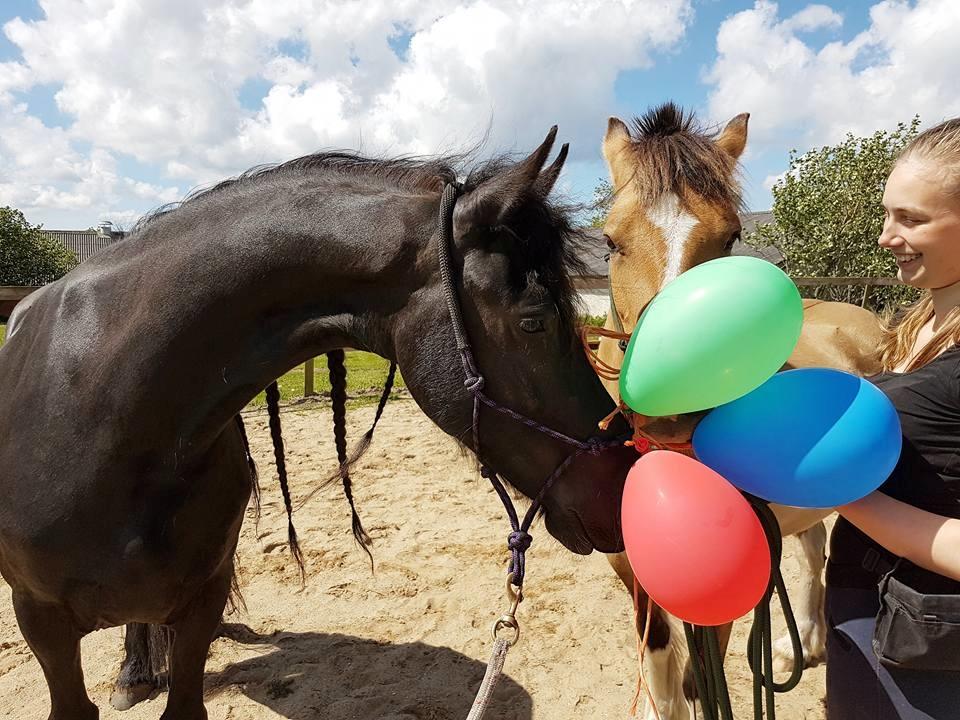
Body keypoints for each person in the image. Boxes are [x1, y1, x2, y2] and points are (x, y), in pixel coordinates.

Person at [826, 117, 960, 719]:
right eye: (888, 214)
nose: (885, 237)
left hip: (933, 644)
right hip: (874, 610)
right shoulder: (918, 325)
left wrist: (843, 496)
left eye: (911, 219)